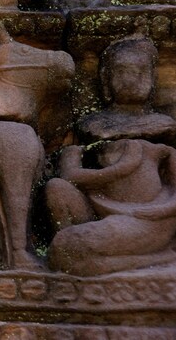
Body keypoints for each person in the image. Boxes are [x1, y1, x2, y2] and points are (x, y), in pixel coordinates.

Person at [47, 36, 176, 276]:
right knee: (56, 187)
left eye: (140, 71)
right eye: (122, 71)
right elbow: (69, 176)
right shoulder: (94, 126)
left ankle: (155, 257)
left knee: (68, 248)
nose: (131, 79)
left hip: (148, 217)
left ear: (153, 79)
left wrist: (161, 211)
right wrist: (120, 169)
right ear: (106, 81)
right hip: (101, 208)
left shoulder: (163, 130)